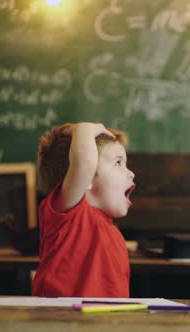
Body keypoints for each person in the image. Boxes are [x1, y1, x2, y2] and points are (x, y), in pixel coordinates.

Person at [32, 122, 136, 297]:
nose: (131, 173)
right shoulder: (69, 214)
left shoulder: (112, 232)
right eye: (118, 163)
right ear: (85, 178)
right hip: (59, 320)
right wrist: (84, 128)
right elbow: (84, 162)